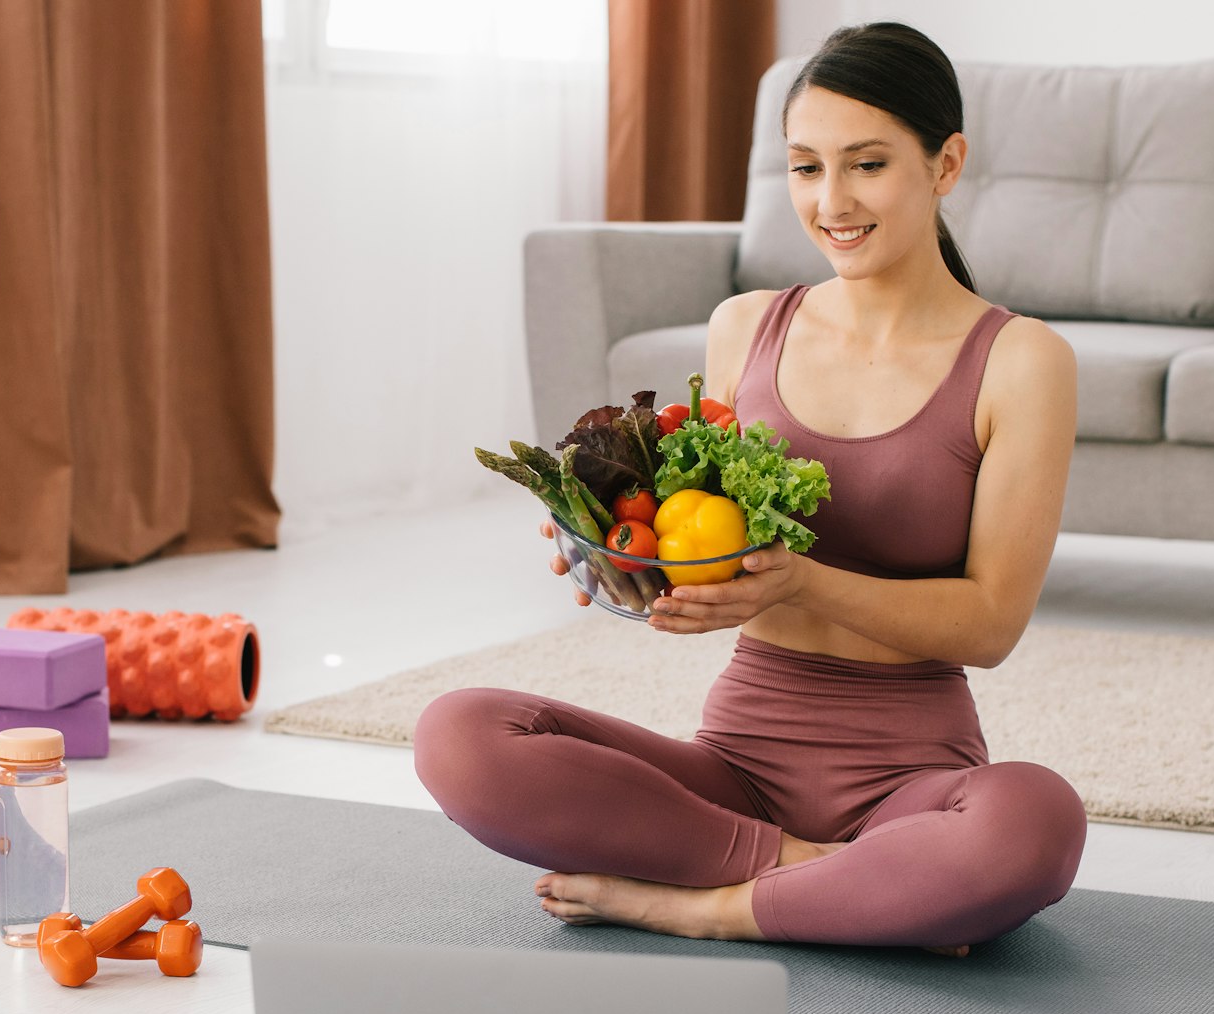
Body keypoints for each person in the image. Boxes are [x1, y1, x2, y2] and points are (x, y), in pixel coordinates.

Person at [413, 22, 1086, 958]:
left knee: (1034, 820)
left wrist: (803, 581)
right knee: (459, 731)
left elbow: (991, 624)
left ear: (946, 164)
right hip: (735, 767)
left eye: (867, 165)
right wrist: (624, 565)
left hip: (913, 782)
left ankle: (700, 903)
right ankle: (838, 882)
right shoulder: (745, 328)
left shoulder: (1023, 362)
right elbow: (710, 549)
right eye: (805, 169)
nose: (832, 201)